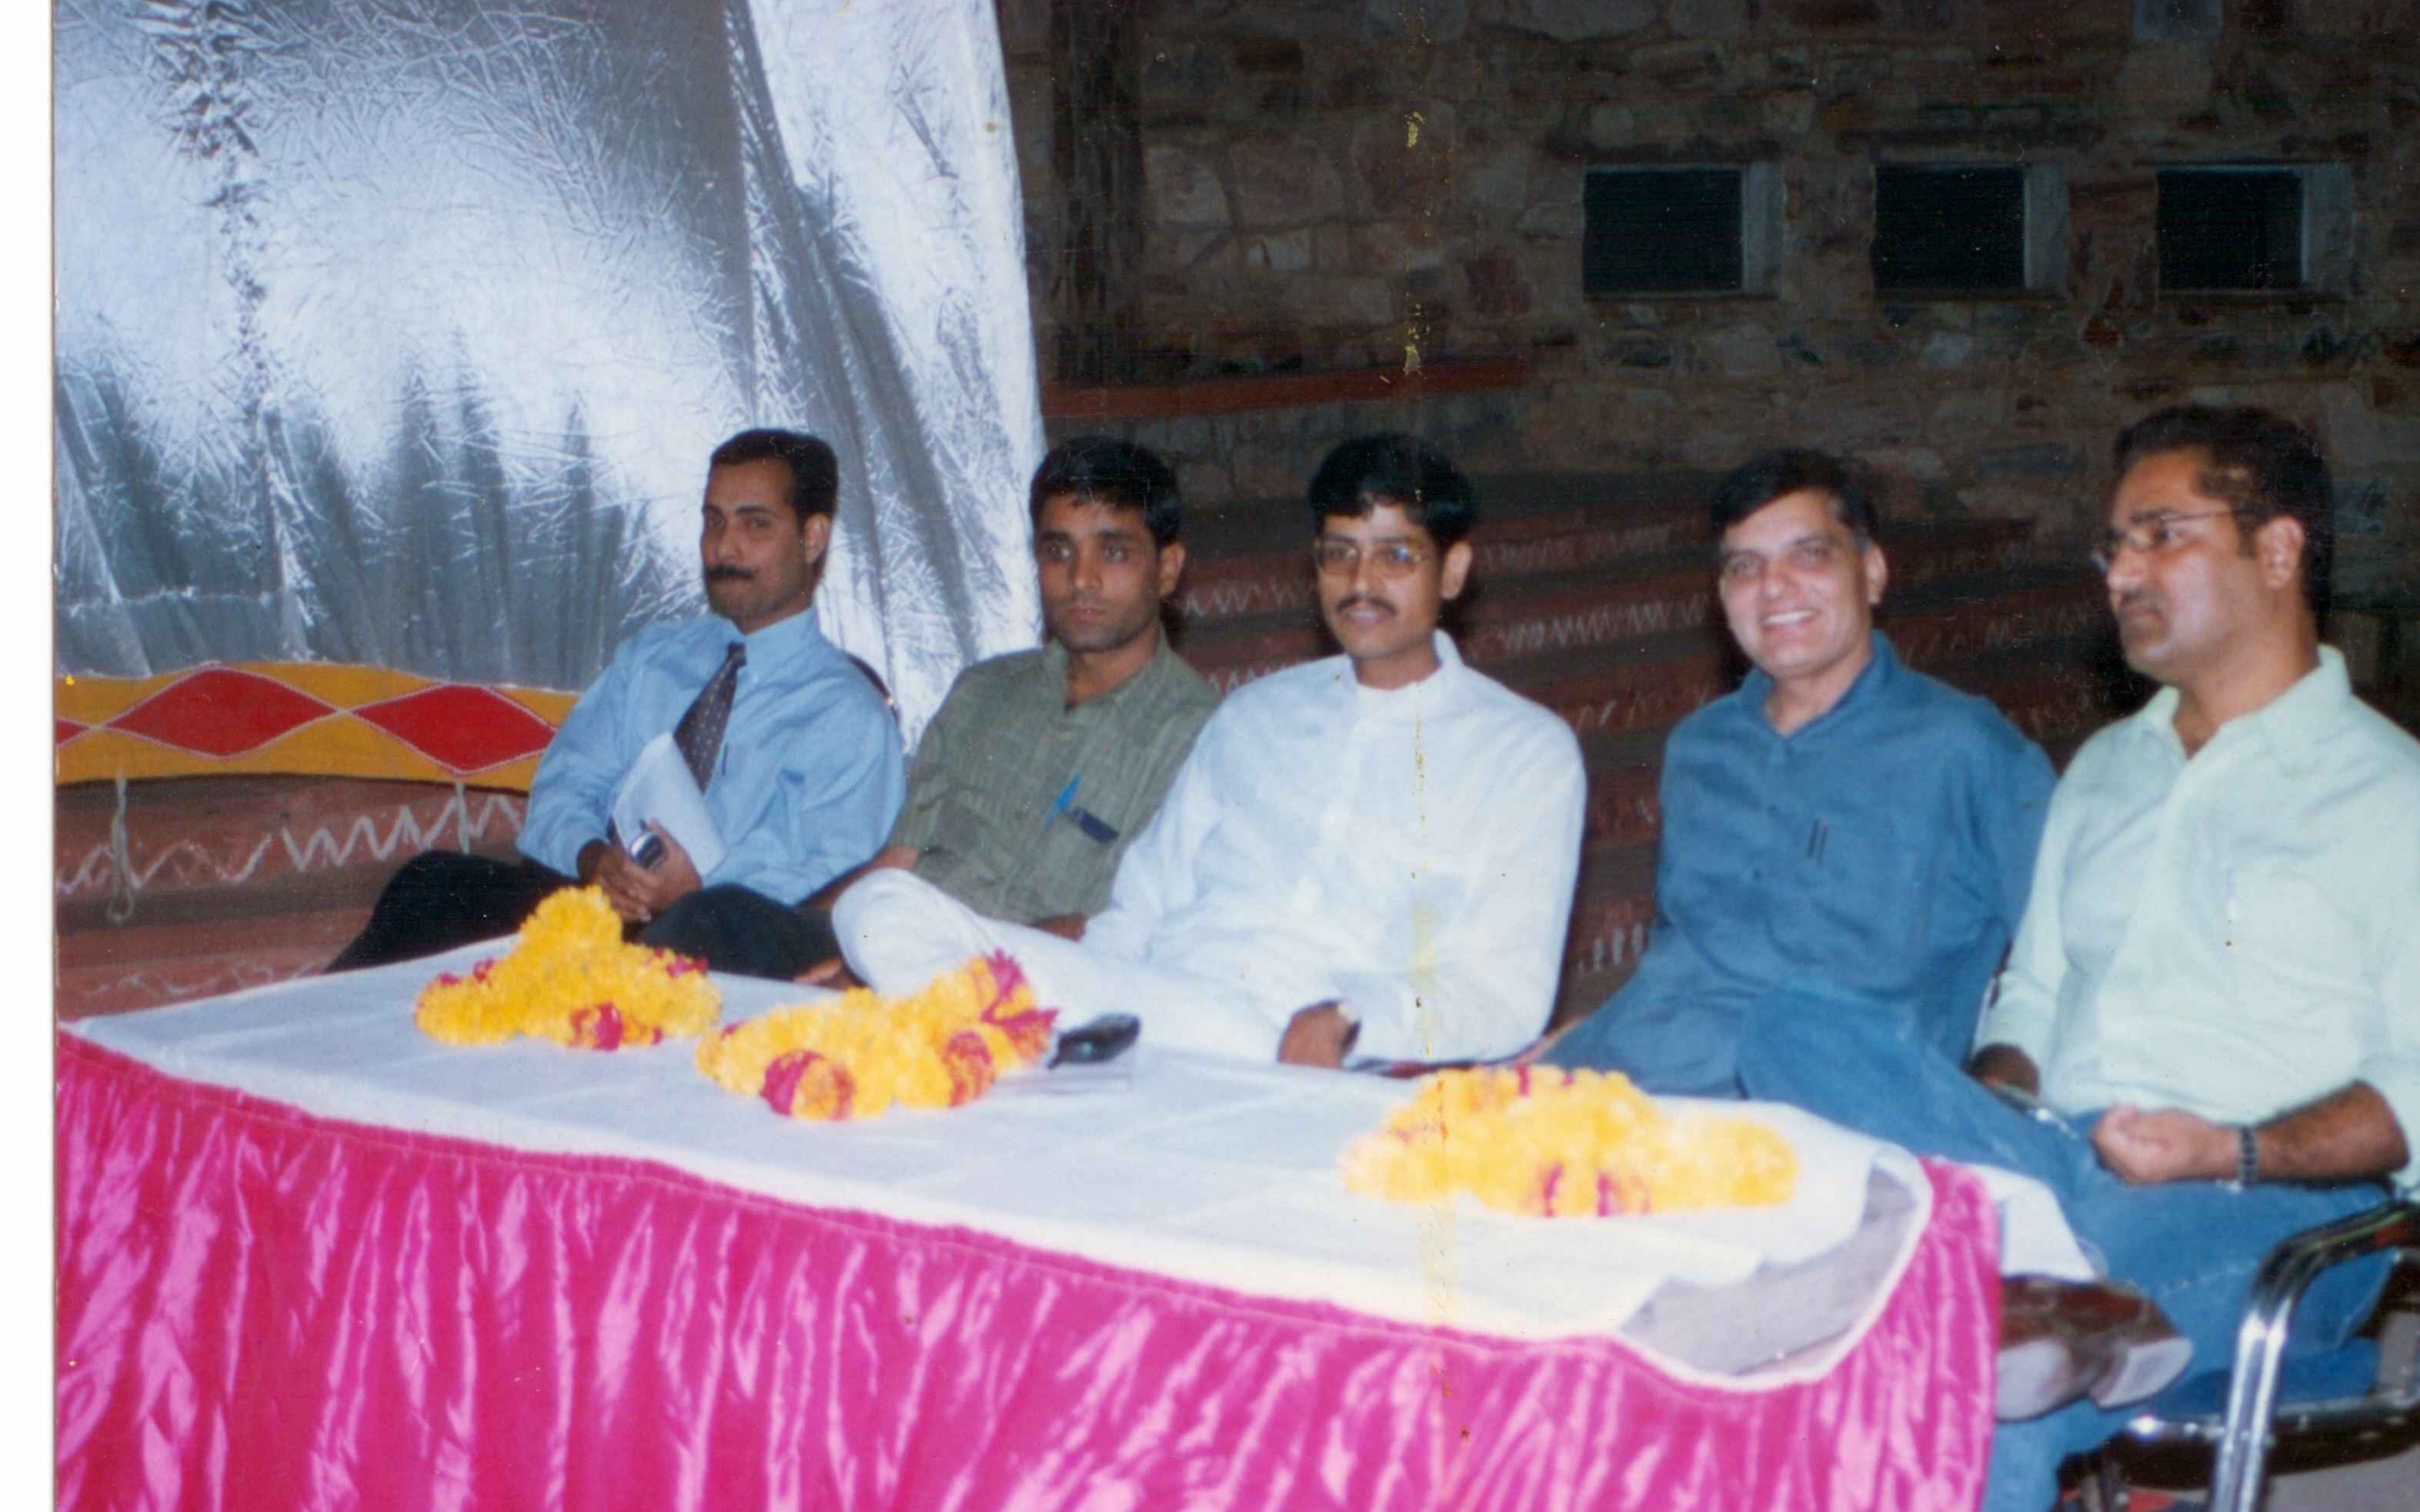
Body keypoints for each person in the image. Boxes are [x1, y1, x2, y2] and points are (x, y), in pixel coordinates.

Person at [1728, 402, 2420, 1512]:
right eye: (2112, 545)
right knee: (1795, 1030)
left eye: (2160, 536)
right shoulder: (2105, 768)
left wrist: (2229, 1148)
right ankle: (2018, 1240)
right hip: (2059, 1156)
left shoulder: (2396, 804)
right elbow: (2028, 1007)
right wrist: (1992, 1106)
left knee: (1982, 1349)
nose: (2121, 573)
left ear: (2278, 550)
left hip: (2268, 1209)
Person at [836, 433, 1585, 1067]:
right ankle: (1042, 1041)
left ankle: (1012, 1042)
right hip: (1154, 1003)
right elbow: (1141, 903)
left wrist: (1358, 1017)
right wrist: (1085, 981)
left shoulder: (1523, 753)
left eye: (1396, 557)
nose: (1362, 584)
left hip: (1282, 1037)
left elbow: (1507, 993)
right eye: (1339, 555)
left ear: (1452, 571)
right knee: (878, 908)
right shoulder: (1257, 713)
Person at [1540, 447, 2052, 1094]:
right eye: (1744, 567)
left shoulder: (1965, 750)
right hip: (1645, 1082)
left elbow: (2063, 954)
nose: (1773, 587)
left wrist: (1999, 1086)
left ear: (1871, 573)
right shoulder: (1702, 747)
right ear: (1722, 595)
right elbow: (1682, 954)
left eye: (1808, 555)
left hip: (1833, 1107)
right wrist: (1596, 1037)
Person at [331, 429, 903, 980]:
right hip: (599, 910)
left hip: (717, 943)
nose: (724, 547)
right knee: (434, 886)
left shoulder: (848, 716)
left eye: (755, 524)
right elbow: (565, 785)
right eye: (713, 521)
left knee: (697, 926)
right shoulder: (654, 658)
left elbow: (825, 881)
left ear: (812, 538)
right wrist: (593, 860)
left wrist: (695, 888)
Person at [808, 437, 1216, 960]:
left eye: (1113, 552)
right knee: (732, 925)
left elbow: (1115, 930)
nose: (1080, 578)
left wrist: (910, 970)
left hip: (1025, 986)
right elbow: (898, 862)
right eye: (1058, 551)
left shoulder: (1198, 737)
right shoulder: (985, 692)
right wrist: (800, 939)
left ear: (1167, 569)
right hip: (894, 954)